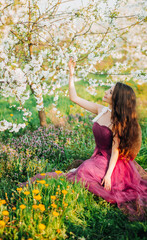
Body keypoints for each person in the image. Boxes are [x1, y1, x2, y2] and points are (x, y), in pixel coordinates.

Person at [20, 58, 147, 221]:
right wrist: (71, 74)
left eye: (109, 92)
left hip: (110, 162)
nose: (106, 92)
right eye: (108, 89)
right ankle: (79, 173)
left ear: (117, 99)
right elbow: (75, 98)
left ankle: (88, 176)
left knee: (85, 169)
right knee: (84, 169)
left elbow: (115, 151)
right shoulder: (101, 110)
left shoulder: (118, 122)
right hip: (98, 157)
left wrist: (108, 175)